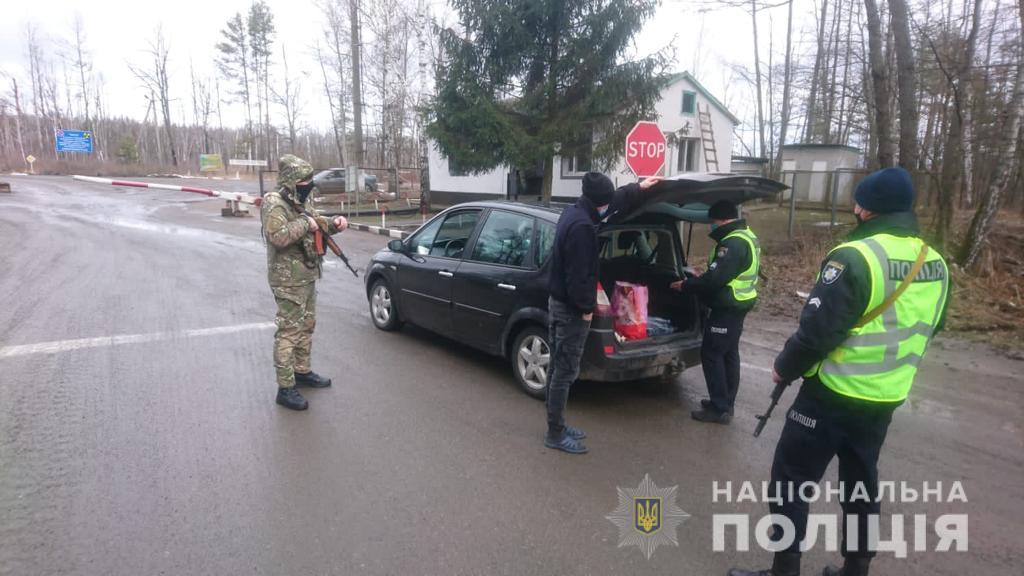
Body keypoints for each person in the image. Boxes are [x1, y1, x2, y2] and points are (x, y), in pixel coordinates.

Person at [729, 167, 950, 576]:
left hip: (831, 394)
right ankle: (855, 569)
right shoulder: (935, 262)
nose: (853, 208)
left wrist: (782, 368)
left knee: (791, 479)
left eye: (857, 201)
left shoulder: (855, 257)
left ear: (866, 209)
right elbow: (931, 325)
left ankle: (785, 570)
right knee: (861, 483)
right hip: (885, 398)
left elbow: (816, 333)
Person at [545, 172, 662, 454]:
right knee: (565, 371)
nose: (607, 207)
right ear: (598, 202)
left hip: (558, 303)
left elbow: (613, 201)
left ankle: (557, 423)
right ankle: (555, 432)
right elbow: (579, 277)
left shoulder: (574, 211)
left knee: (559, 367)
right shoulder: (583, 228)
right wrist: (586, 309)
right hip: (570, 310)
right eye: (606, 202)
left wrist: (638, 188)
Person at [262, 154, 348, 410]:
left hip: (307, 274)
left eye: (311, 179)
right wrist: (304, 222)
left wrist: (333, 223)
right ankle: (285, 388)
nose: (309, 184)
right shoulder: (274, 202)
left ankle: (302, 371)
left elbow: (315, 221)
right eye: (304, 180)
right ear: (291, 180)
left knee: (307, 325)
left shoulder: (300, 198)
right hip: (287, 280)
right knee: (289, 332)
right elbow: (277, 236)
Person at [670, 199, 760, 424]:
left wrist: (686, 286)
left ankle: (719, 408)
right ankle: (725, 403)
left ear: (721, 220)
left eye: (713, 222)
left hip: (727, 306)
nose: (712, 226)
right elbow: (723, 273)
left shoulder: (733, 243)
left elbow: (715, 280)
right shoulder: (746, 235)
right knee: (729, 354)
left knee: (712, 354)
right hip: (738, 304)